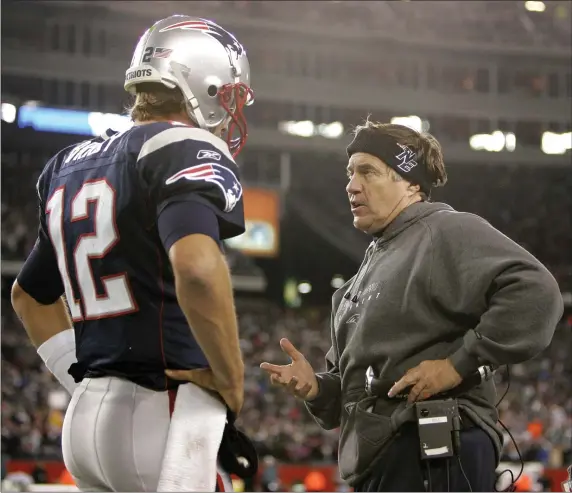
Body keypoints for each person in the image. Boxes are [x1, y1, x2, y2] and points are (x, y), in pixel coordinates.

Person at [11, 14, 255, 492]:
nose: (231, 110)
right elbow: (198, 270)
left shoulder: (69, 164)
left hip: (84, 426)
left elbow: (29, 297)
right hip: (162, 414)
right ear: (203, 86)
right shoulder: (184, 146)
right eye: (228, 95)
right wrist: (229, 376)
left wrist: (80, 380)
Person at [261, 120, 563, 492]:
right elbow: (359, 392)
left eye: (368, 172)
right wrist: (316, 390)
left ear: (411, 182)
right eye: (350, 172)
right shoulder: (358, 282)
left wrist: (458, 364)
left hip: (435, 451)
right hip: (384, 456)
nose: (352, 185)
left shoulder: (446, 231)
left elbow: (537, 291)